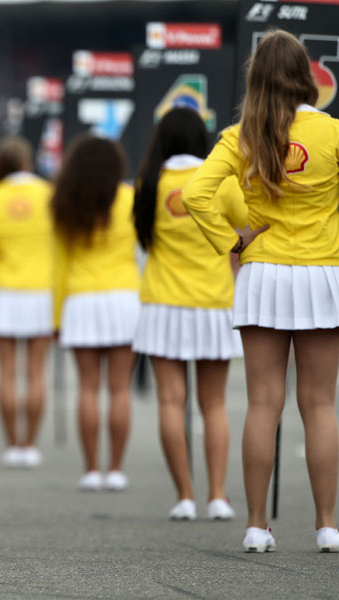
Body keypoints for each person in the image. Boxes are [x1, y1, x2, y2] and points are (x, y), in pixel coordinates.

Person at [183, 29, 339, 552]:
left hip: (263, 271)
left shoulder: (241, 136)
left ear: (256, 78)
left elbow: (197, 193)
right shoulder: (334, 133)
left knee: (262, 403)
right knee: (319, 404)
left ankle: (255, 524)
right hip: (322, 273)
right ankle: (326, 525)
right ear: (307, 76)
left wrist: (231, 239)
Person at [132, 108, 246, 521]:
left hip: (162, 303)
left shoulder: (148, 183)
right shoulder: (221, 182)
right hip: (214, 302)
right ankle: (217, 495)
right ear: (202, 139)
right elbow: (249, 227)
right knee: (213, 404)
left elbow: (141, 245)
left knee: (169, 401)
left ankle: (184, 496)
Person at [52, 135, 139, 492]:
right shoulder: (130, 199)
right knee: (120, 388)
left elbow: (58, 266)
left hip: (80, 299)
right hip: (124, 297)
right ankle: (115, 469)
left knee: (87, 387)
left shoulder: (65, 203)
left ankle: (91, 468)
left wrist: (56, 318)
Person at [0, 138, 55, 466]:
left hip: (4, 289)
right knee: (36, 373)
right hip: (40, 289)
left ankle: (13, 446)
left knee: (7, 372)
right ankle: (30, 445)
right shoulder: (48, 194)